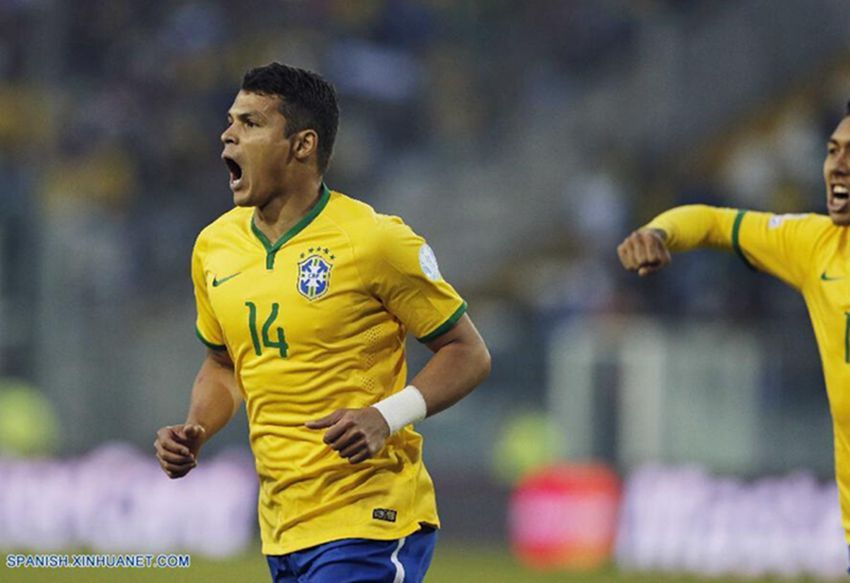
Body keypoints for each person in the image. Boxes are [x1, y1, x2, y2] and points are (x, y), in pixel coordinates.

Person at [153, 62, 491, 583]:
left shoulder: (375, 241)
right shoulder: (213, 248)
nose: (228, 134)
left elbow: (468, 353)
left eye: (250, 122)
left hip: (370, 516)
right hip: (283, 525)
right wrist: (197, 427)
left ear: (302, 145)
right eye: (230, 121)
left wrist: (386, 416)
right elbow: (222, 365)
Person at [617, 101, 850, 557]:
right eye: (832, 150)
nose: (838, 167)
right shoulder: (817, 245)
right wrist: (658, 233)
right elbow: (713, 221)